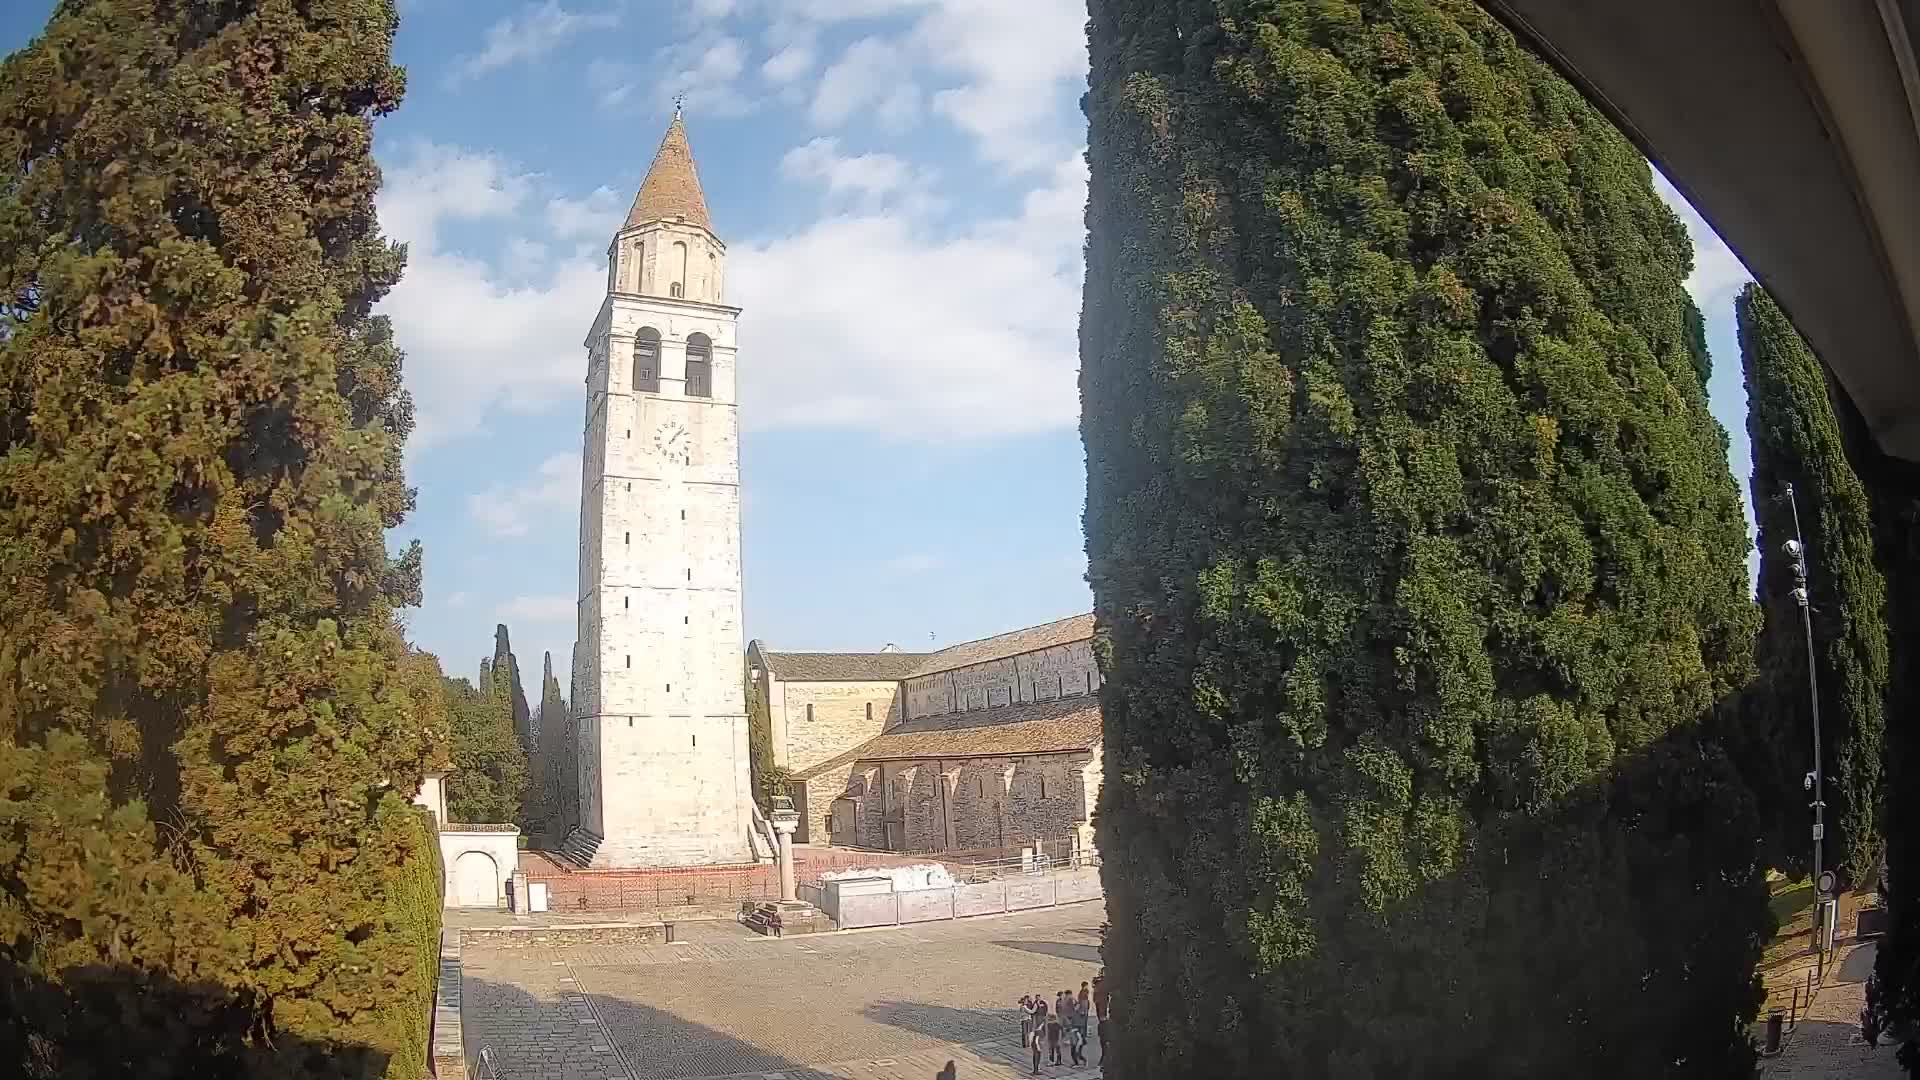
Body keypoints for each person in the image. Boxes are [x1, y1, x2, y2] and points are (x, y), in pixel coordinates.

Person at [1092, 976, 1110, 1063]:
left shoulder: (1100, 988)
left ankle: (1104, 1059)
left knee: (1104, 1044)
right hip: (1102, 1016)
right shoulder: (1100, 988)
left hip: (1103, 1016)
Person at [1045, 998, 1064, 1066]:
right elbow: (1062, 1030)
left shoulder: (1049, 1025)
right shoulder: (1057, 1025)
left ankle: (1052, 1061)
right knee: (1057, 1050)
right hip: (1057, 1039)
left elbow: (1049, 1033)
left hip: (1052, 1040)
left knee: (1051, 1050)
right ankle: (1059, 1061)